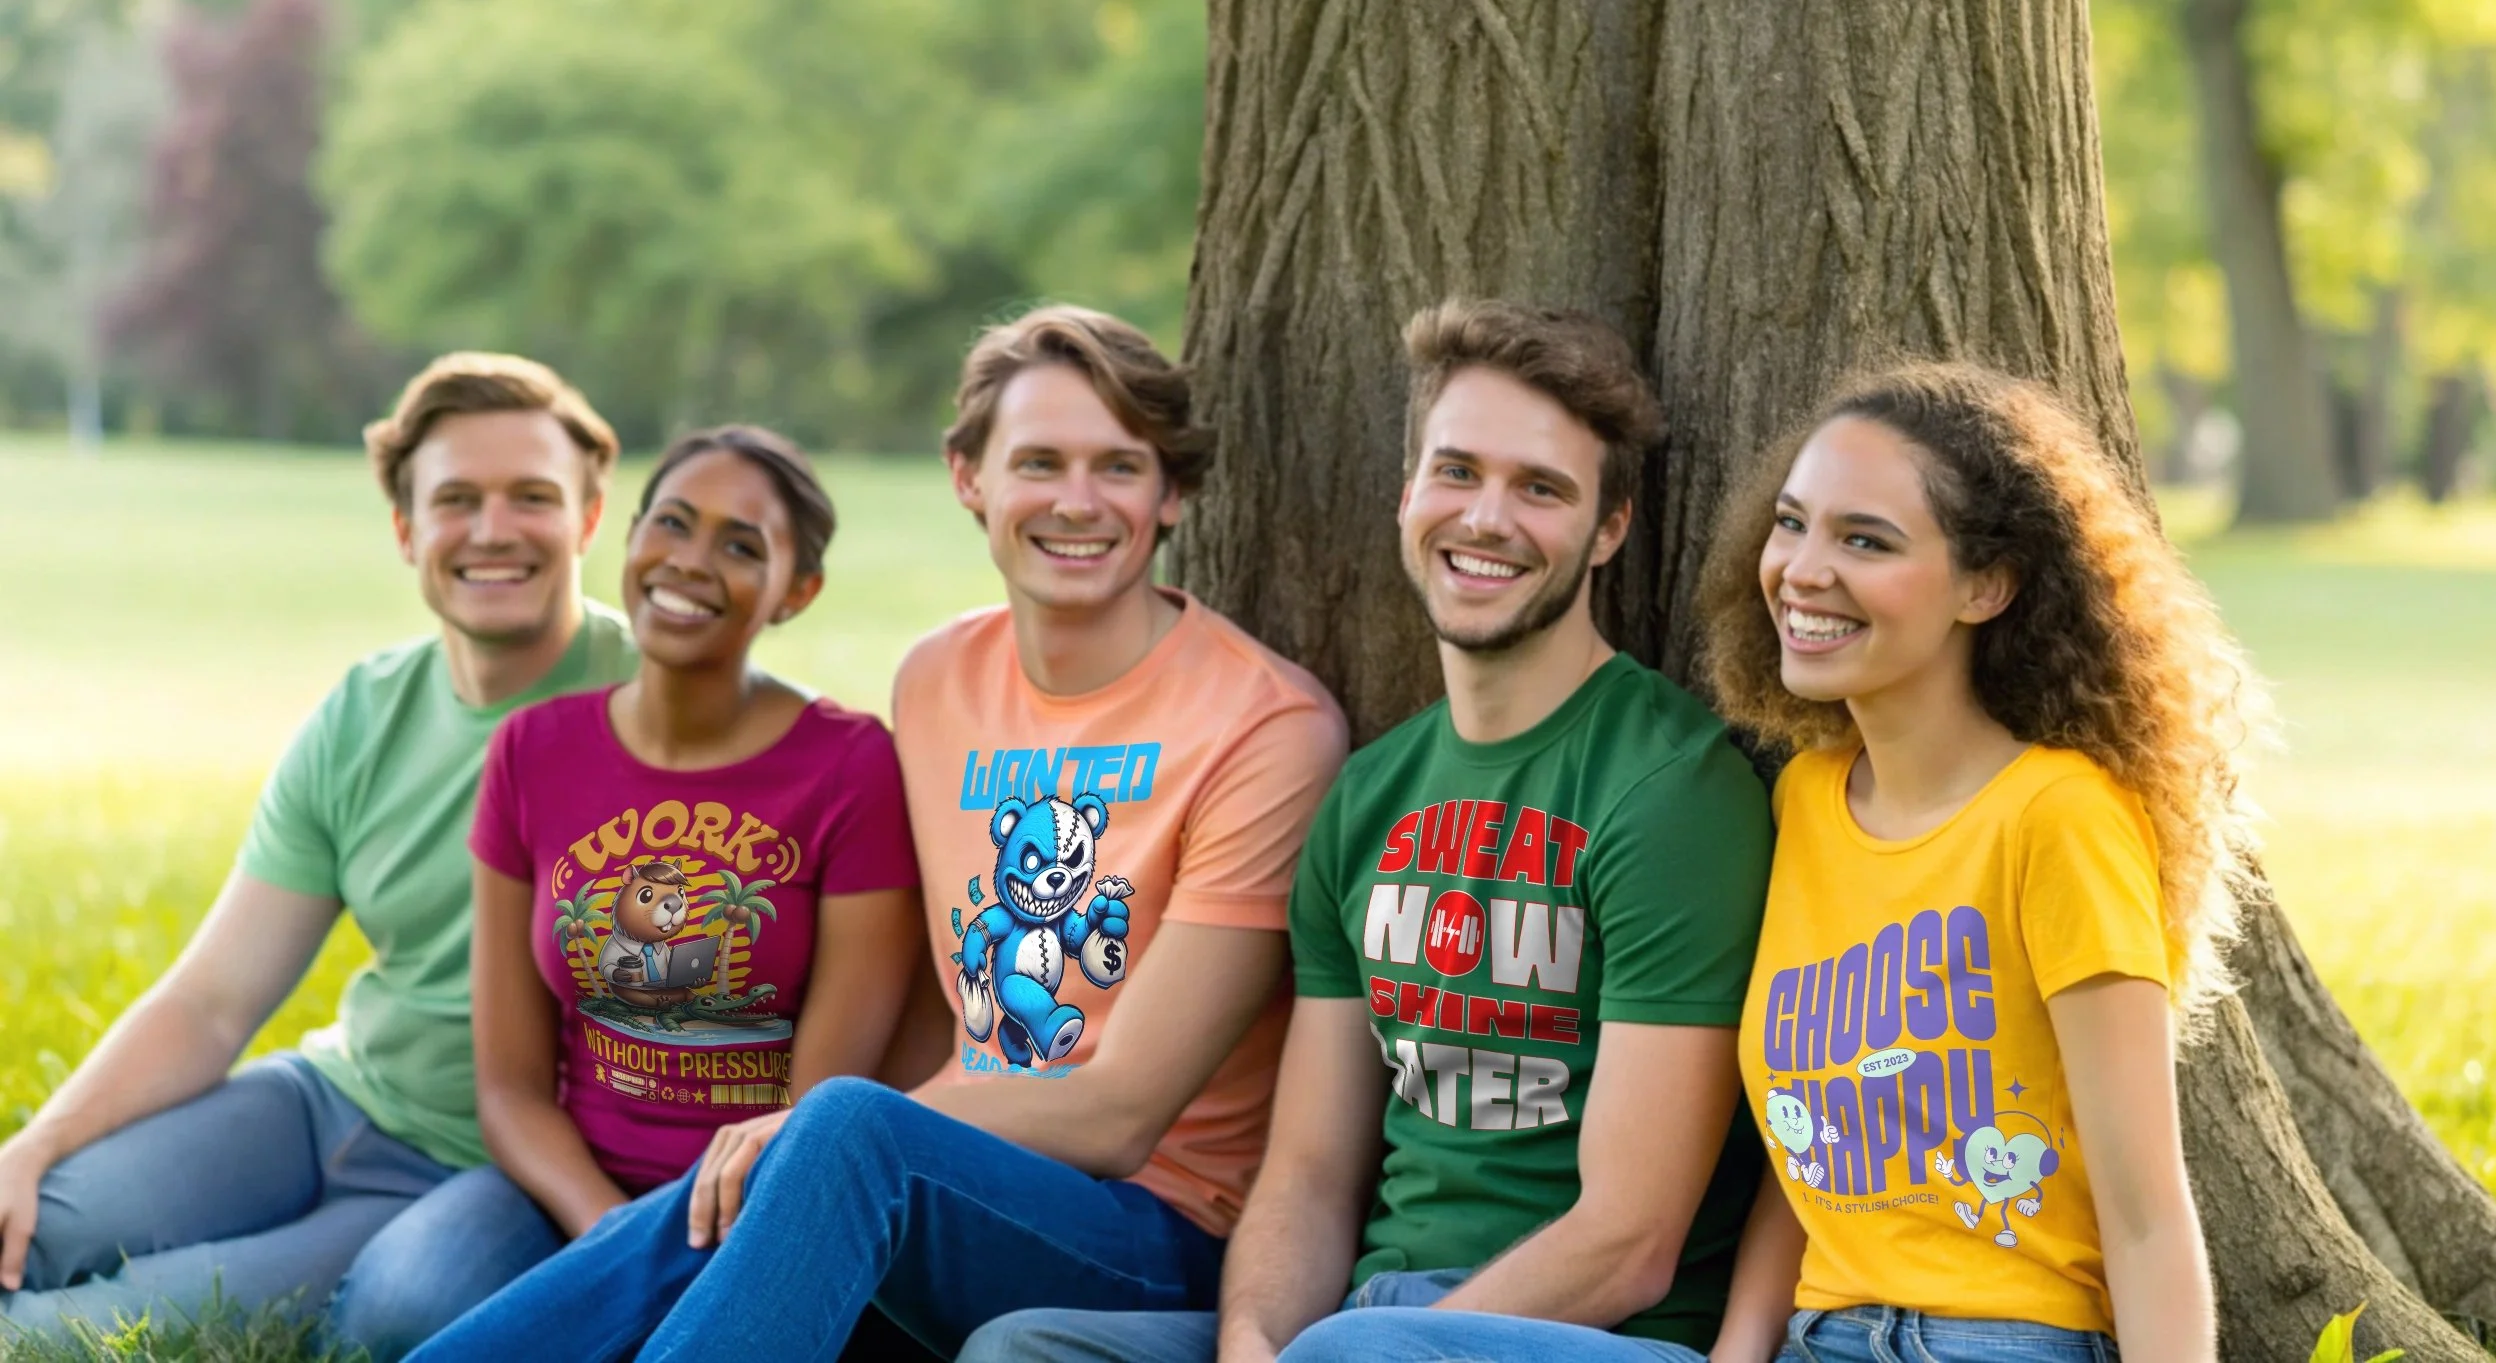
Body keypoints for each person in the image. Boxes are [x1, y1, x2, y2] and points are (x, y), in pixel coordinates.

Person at [411, 305, 1348, 1363]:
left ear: (1170, 491)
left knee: (834, 1130)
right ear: (969, 478)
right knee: (792, 1156)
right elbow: (923, 994)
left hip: (1152, 1230)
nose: (1075, 502)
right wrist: (821, 1137)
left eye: (1118, 467)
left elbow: (1122, 1110)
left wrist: (824, 1128)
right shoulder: (940, 678)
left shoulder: (1264, 727)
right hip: (949, 1175)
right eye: (1036, 461)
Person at [966, 298, 1775, 1363]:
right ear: (1408, 493)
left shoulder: (1669, 788)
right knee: (1024, 1349)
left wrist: (1363, 1350)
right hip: (1356, 1325)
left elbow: (1628, 1240)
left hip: (1589, 1332)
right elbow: (1306, 1171)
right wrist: (1255, 1341)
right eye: (1456, 471)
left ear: (1607, 528)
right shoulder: (1368, 797)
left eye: (1541, 488)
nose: (1485, 518)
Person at [0, 354, 637, 1349]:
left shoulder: (665, 705)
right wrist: (38, 1142)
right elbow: (212, 1000)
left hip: (487, 1167)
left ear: (589, 519)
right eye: (456, 499)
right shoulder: (362, 713)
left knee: (73, 1328)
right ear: (406, 529)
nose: (493, 529)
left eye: (533, 497)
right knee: (30, 1222)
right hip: (324, 1101)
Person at [1690, 362, 2257, 1363]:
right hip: (1815, 1338)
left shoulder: (2059, 817)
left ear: (1984, 585)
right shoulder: (1804, 797)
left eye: (1864, 539)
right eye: (1792, 523)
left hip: (1999, 1340)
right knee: (1370, 1345)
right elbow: (1810, 1143)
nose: (1803, 569)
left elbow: (2146, 1214)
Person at [363, 426, 921, 1356]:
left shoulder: (851, 766)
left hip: (764, 1201)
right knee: (393, 1308)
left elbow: (818, 1114)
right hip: (570, 1188)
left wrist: (655, 1252)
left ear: (796, 592)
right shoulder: (533, 751)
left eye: (742, 546)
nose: (691, 562)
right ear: (628, 540)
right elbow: (508, 1088)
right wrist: (604, 1232)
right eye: (672, 522)